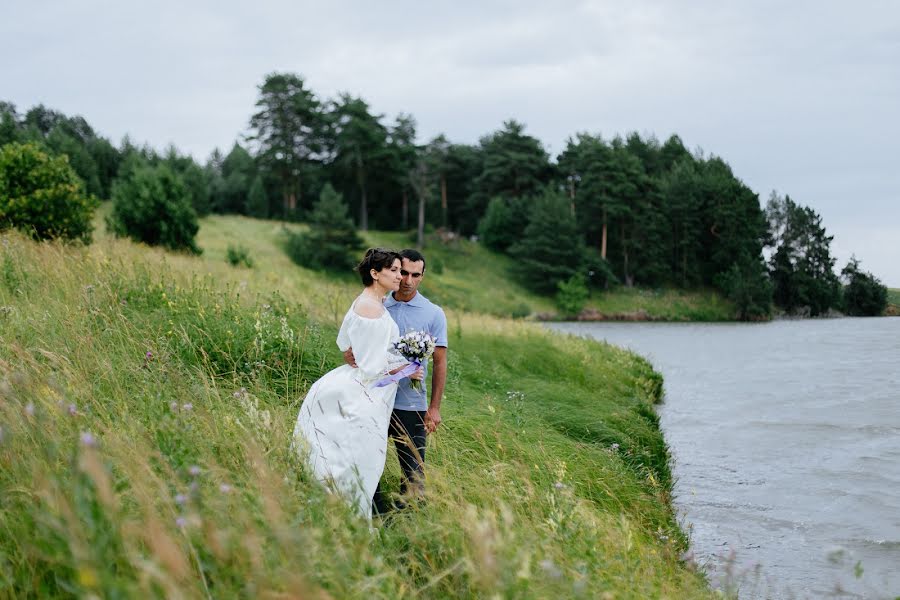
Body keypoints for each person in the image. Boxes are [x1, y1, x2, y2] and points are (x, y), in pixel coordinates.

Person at [292, 248, 422, 520]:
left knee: (358, 457)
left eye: (401, 271)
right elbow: (372, 366)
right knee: (358, 457)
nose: (400, 276)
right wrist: (407, 369)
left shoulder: (373, 303)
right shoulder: (369, 307)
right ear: (375, 274)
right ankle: (346, 513)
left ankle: (343, 511)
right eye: (395, 271)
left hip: (369, 389)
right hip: (364, 393)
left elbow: (348, 344)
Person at [345, 249, 448, 513]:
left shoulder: (433, 313)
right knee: (369, 460)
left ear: (423, 276)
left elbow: (439, 362)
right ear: (394, 270)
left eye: (415, 275)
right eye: (403, 272)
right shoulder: (376, 303)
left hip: (410, 402)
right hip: (375, 400)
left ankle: (409, 520)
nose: (407, 280)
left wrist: (434, 407)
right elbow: (356, 345)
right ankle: (377, 513)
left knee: (413, 469)